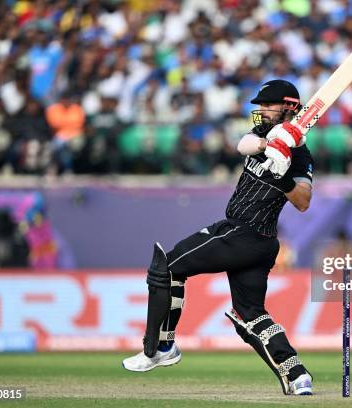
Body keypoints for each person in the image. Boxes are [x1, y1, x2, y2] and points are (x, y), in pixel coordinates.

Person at [122, 79, 315, 395]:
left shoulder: (301, 156)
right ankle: (297, 375)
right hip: (255, 241)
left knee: (167, 268)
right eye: (260, 106)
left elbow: (303, 201)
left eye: (267, 105)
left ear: (289, 108)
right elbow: (243, 145)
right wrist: (271, 146)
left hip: (244, 233)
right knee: (249, 315)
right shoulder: (265, 136)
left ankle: (158, 348)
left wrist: (282, 176)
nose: (261, 110)